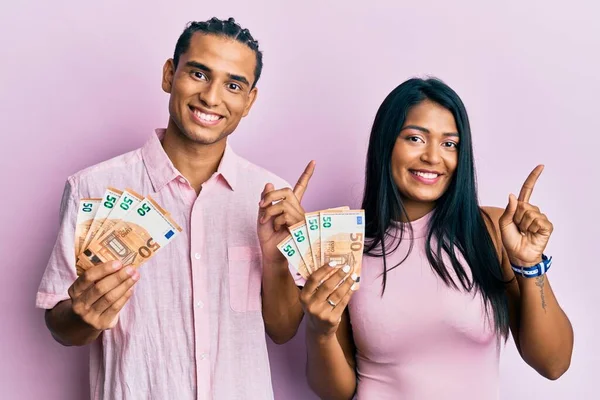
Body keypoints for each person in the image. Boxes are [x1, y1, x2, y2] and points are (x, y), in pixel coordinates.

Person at [36, 17, 311, 400]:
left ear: (249, 101)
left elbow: (282, 331)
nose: (212, 98)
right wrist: (81, 316)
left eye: (233, 85)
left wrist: (275, 258)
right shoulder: (92, 188)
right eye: (198, 74)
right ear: (169, 74)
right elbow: (59, 326)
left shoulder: (272, 198)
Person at [296, 78, 574, 399]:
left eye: (449, 144)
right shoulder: (345, 243)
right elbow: (335, 394)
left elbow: (554, 364)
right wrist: (320, 331)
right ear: (386, 144)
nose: (432, 157)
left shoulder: (491, 229)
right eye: (415, 138)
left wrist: (531, 264)